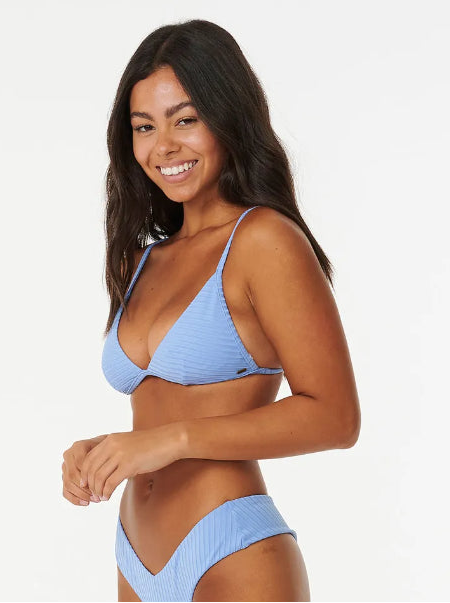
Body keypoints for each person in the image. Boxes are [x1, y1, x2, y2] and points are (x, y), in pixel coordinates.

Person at [61, 19, 361, 602]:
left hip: (231, 549)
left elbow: (336, 417)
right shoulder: (139, 261)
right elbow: (166, 405)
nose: (163, 146)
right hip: (136, 556)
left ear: (228, 118)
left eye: (186, 120)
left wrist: (168, 441)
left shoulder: (263, 241)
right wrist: (106, 450)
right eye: (144, 126)